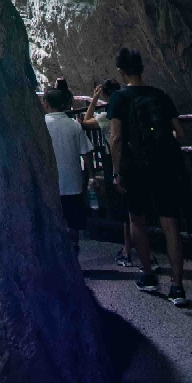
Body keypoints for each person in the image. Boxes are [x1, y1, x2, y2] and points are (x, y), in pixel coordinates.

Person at [107, 47, 187, 305]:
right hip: (163, 165)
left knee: (137, 220)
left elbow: (116, 138)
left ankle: (149, 275)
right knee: (170, 222)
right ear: (142, 68)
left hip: (134, 167)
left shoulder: (118, 99)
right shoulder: (160, 95)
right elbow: (180, 133)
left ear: (121, 71)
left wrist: (117, 171)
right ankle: (177, 287)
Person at [82, 79, 145, 268]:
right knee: (137, 208)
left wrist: (93, 99)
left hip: (117, 161)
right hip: (138, 158)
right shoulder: (131, 110)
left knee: (126, 209)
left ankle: (128, 250)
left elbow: (85, 121)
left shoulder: (108, 116)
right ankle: (144, 251)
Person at [43, 87, 94, 251]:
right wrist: (90, 177)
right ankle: (74, 249)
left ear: (46, 103)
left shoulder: (42, 125)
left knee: (55, 220)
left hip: (50, 183)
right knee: (74, 222)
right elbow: (86, 155)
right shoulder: (74, 125)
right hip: (73, 182)